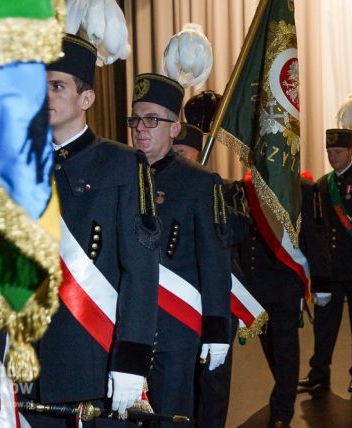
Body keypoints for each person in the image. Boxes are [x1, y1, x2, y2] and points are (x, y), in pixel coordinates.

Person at [24, 35, 161, 427]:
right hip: (27, 363)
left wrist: (131, 360)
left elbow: (140, 271)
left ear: (86, 98)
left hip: (92, 358)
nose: (44, 96)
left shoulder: (123, 165)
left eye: (57, 86)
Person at [129, 73, 232, 424]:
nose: (140, 128)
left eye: (152, 120)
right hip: (125, 326)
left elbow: (214, 262)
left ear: (175, 128)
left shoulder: (199, 182)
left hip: (174, 329)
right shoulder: (119, 174)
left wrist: (216, 329)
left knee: (169, 417)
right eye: (135, 119)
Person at [298, 127, 352, 395]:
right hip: (331, 271)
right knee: (324, 327)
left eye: (338, 151)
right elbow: (316, 231)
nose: (333, 156)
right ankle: (319, 374)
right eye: (329, 152)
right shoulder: (321, 186)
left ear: (351, 151)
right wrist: (318, 271)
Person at [233, 172, 320, 428]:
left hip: (286, 283)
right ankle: (284, 387)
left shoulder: (302, 188)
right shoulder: (243, 188)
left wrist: (322, 280)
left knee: (285, 348)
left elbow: (314, 236)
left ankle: (282, 410)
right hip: (256, 284)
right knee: (270, 346)